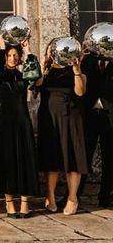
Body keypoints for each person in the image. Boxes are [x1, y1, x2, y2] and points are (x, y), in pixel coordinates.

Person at [35, 44, 87, 215]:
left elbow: (80, 92)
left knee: (73, 158)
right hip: (49, 118)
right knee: (52, 157)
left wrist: (77, 71)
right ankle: (50, 195)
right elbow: (36, 86)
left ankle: (73, 198)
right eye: (52, 49)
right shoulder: (47, 71)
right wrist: (42, 67)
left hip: (71, 117)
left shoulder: (75, 69)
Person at [0, 37, 40, 218]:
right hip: (6, 121)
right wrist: (1, 49)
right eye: (9, 55)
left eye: (14, 55)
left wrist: (28, 51)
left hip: (22, 120)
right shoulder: (0, 75)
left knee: (25, 158)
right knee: (8, 159)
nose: (12, 58)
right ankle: (9, 201)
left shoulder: (23, 75)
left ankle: (25, 202)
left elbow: (34, 75)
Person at [77, 50, 113, 208]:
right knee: (84, 155)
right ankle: (75, 194)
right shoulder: (88, 60)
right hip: (90, 114)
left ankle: (105, 197)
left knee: (110, 158)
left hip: (110, 114)